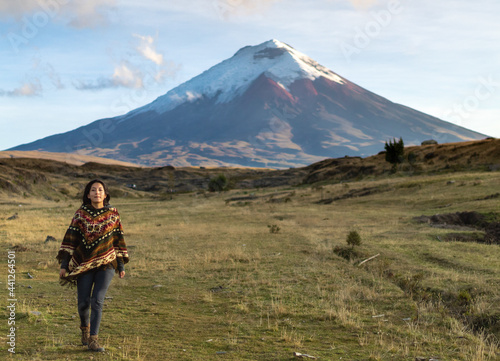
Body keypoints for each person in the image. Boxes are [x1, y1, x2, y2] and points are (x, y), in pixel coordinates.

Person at [57, 179, 129, 352]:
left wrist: (121, 265)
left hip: (107, 263)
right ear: (88, 194)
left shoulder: (113, 214)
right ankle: (85, 329)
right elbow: (71, 239)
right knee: (83, 303)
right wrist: (65, 264)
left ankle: (94, 340)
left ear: (105, 194)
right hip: (83, 263)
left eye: (100, 190)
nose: (97, 192)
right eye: (93, 190)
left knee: (97, 300)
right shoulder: (81, 214)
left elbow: (117, 239)